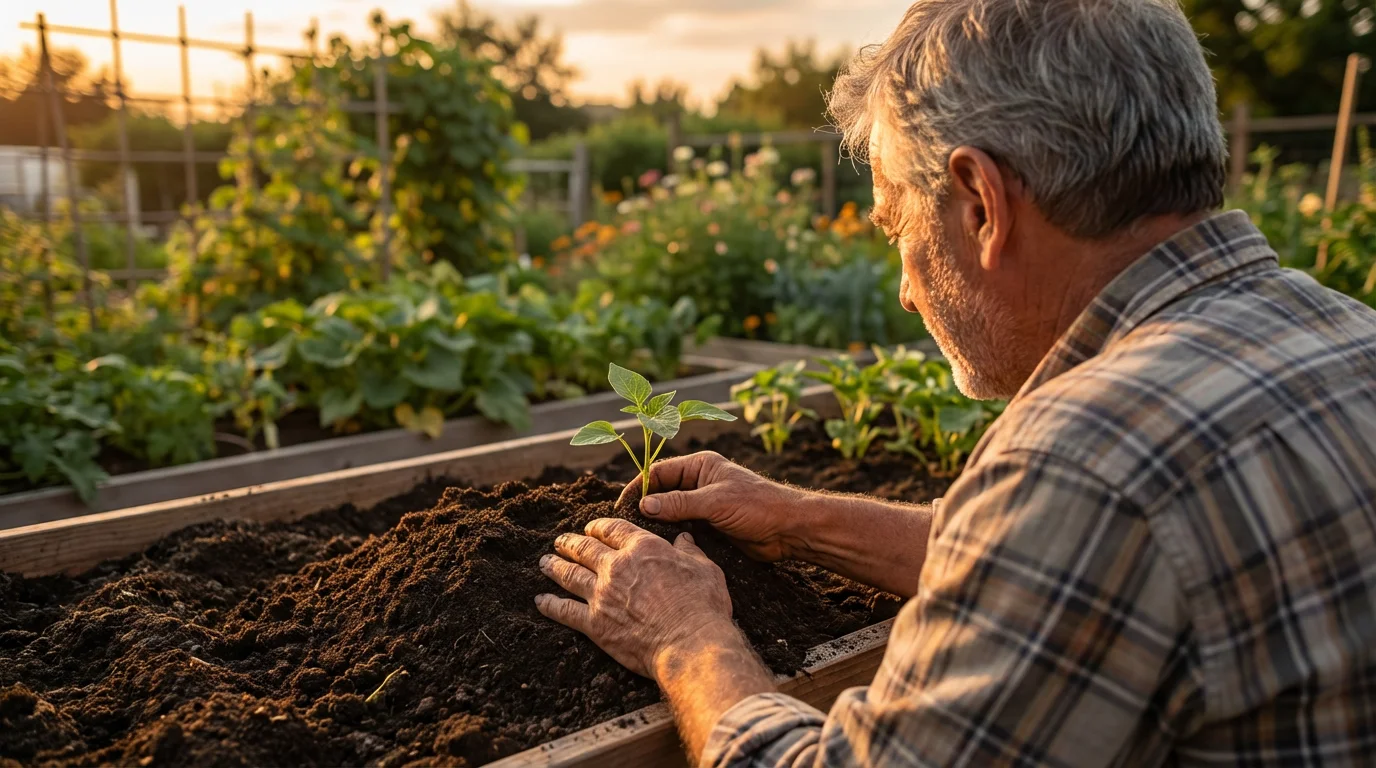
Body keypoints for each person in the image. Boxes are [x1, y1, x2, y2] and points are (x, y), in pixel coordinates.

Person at [534, 1, 1376, 765]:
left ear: (980, 203)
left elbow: (1084, 521)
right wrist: (799, 519)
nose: (905, 287)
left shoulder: (1089, 462)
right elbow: (1062, 572)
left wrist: (687, 639)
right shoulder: (1344, 333)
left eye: (897, 222)